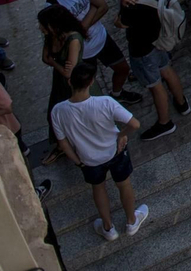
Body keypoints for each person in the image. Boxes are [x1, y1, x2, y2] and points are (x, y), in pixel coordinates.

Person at [51, 61, 147, 241]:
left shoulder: (58, 111)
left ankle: (108, 227)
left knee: (98, 188)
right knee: (124, 184)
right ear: (91, 82)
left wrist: (78, 162)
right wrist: (121, 135)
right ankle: (131, 221)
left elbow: (63, 143)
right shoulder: (105, 103)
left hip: (88, 160)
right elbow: (134, 124)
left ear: (70, 82)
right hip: (115, 152)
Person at [105, 0, 189, 140]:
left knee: (155, 85)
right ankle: (182, 103)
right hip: (158, 41)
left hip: (142, 50)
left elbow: (119, 24)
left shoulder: (131, 6)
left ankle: (165, 123)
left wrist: (122, 4)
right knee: (166, 70)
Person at [49, 0, 137, 107]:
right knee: (87, 85)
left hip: (102, 39)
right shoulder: (54, 5)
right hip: (83, 53)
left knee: (123, 69)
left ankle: (117, 94)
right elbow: (73, 33)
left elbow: (103, 6)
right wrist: (91, 11)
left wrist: (83, 26)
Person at [38, 3, 86, 164]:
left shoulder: (73, 40)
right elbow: (45, 58)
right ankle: (62, 147)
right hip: (60, 82)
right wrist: (57, 64)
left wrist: (54, 63)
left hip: (74, 86)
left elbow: (68, 72)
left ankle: (77, 148)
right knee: (54, 115)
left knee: (75, 119)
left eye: (43, 25)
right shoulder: (51, 36)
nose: (40, 28)